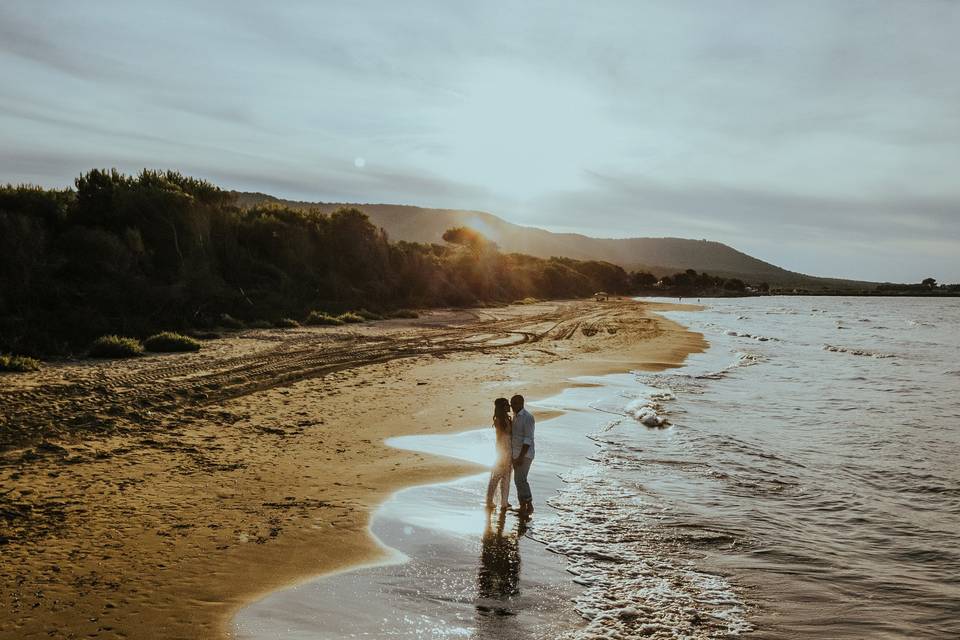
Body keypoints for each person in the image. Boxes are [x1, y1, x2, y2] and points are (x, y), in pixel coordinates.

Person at [485, 398, 513, 511]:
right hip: (503, 449)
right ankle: (489, 500)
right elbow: (499, 438)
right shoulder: (499, 420)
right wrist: (501, 455)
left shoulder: (507, 418)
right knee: (496, 476)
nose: (509, 406)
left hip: (509, 449)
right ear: (502, 407)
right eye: (507, 404)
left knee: (506, 477)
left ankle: (504, 502)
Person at [510, 394, 535, 513]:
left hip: (525, 454)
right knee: (518, 480)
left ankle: (529, 506)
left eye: (514, 404)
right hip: (515, 454)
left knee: (521, 480)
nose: (512, 406)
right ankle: (522, 506)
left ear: (521, 403)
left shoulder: (528, 417)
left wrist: (520, 457)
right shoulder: (515, 416)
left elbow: (528, 439)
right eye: (511, 404)